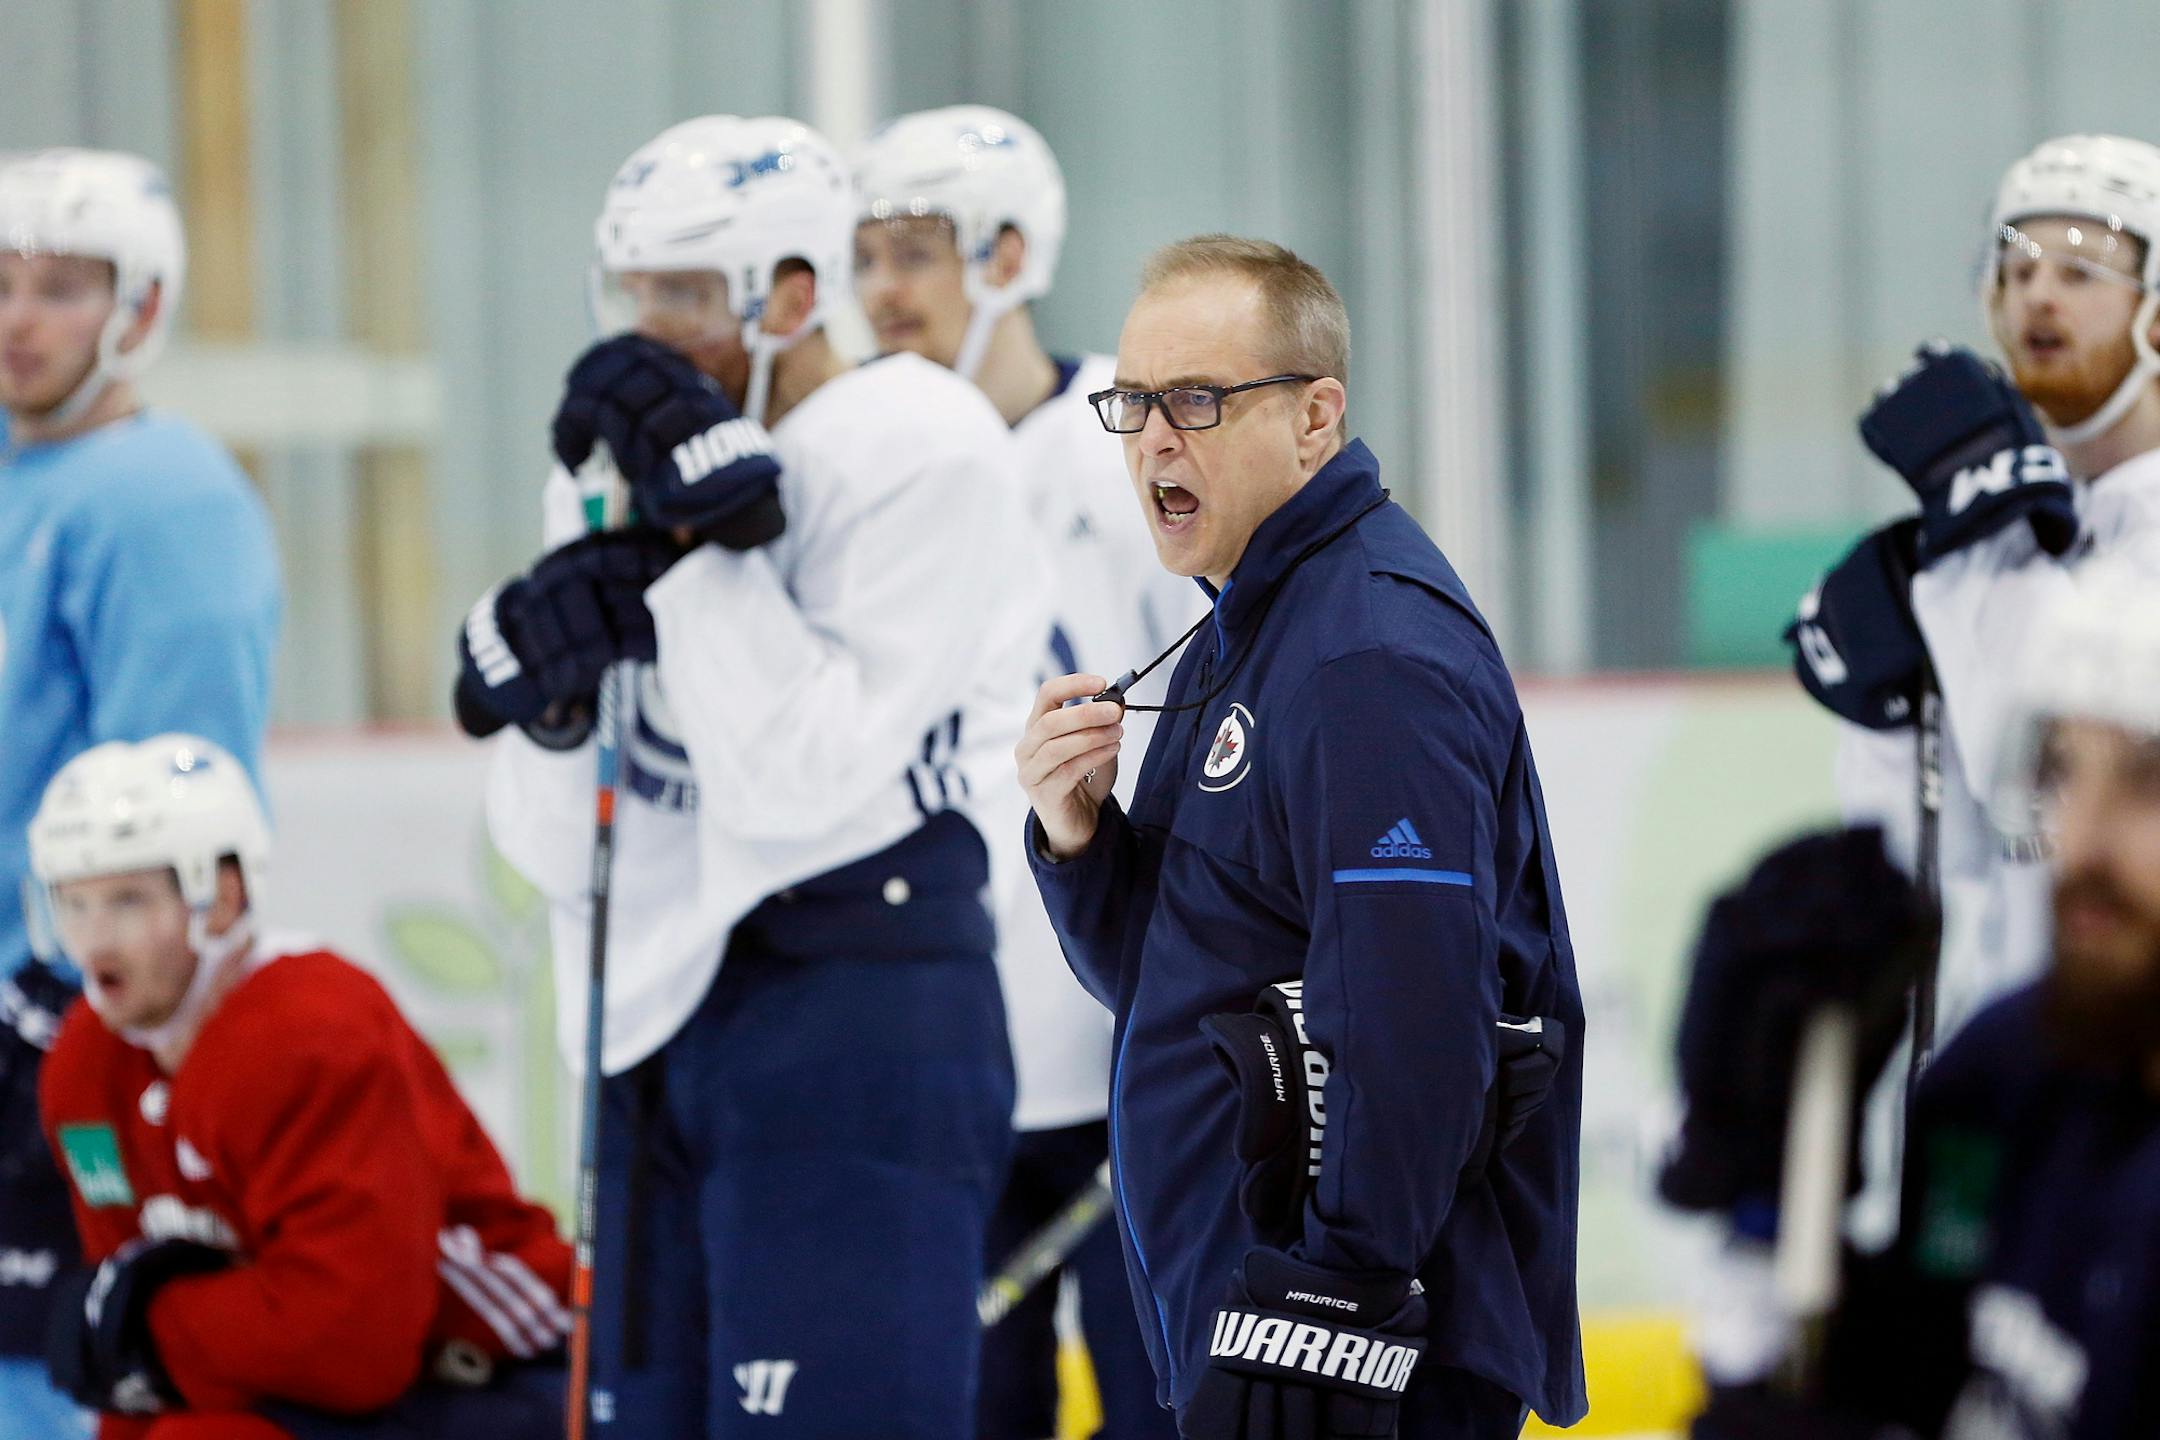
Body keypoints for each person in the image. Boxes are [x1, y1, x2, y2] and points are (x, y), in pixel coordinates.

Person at [458, 114, 1047, 1437]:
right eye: (630, 291)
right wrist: (552, 718)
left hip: (863, 1005)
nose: (643, 330)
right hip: (657, 1034)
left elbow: (802, 782)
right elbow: (563, 855)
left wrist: (692, 558)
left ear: (791, 291)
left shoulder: (922, 439)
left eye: (681, 292)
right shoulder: (627, 459)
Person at [1013, 235, 1586, 1439]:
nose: (1154, 439)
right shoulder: (1251, 624)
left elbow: (1416, 1014)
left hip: (1353, 1353)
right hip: (1264, 1314)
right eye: (1133, 403)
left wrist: (1338, 1301)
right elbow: (1177, 981)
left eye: (1200, 401)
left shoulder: (1365, 654)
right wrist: (1080, 846)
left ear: (1318, 416)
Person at [853, 104, 1195, 1440]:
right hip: (947, 1056)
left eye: (915, 252)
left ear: (1009, 254)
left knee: (1159, 1407)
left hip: (1125, 1048)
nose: (882, 289)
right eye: (866, 255)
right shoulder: (860, 465)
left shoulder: (1123, 446)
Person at [1673, 555, 2160, 1438]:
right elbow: (1944, 1354)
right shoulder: (2018, 1070)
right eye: (2061, 771)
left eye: (2147, 782)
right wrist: (1768, 1201)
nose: (2079, 841)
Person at [26, 734, 570, 1440]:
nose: (94, 941)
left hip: (485, 1374)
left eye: (128, 901)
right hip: (293, 1386)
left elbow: (352, 1342)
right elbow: (128, 1341)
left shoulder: (313, 1033)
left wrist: (149, 1328)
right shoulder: (84, 1069)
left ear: (219, 900)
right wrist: (132, 1349)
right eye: (74, 904)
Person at [0, 148, 282, 1438]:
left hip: (62, 1021)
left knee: (51, 1376)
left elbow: (177, 796)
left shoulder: (163, 499)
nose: (20, 318)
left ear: (142, 308)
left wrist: (80, 1001)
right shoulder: (20, 478)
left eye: (61, 286)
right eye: (2, 282)